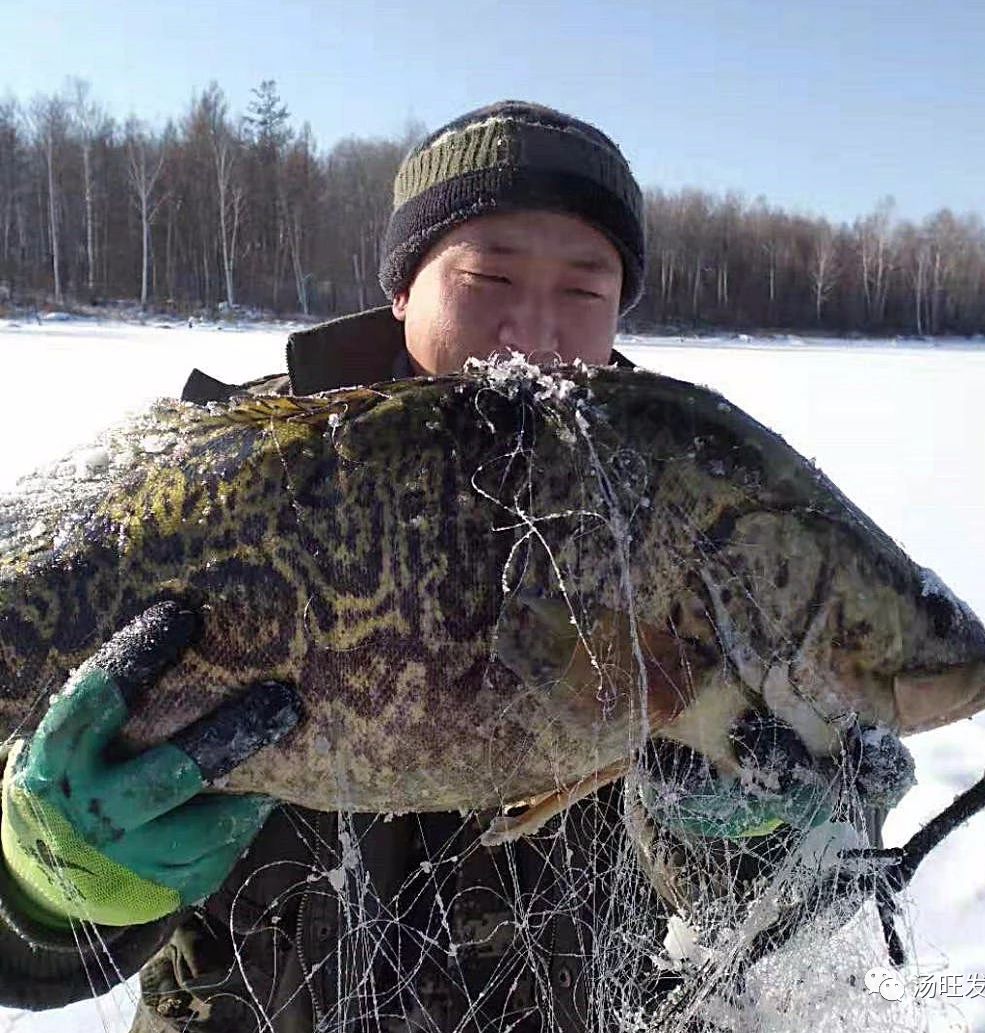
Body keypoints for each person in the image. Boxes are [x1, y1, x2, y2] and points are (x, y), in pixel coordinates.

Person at [0, 101, 875, 1032]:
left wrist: (770, 824)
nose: (531, 331)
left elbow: (757, 921)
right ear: (402, 290)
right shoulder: (212, 489)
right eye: (489, 274)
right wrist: (50, 883)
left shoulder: (691, 528)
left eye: (584, 289)